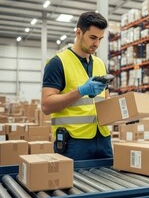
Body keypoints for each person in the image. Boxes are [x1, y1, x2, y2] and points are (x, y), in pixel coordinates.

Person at [41, 11, 112, 160]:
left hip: (103, 138)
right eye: (92, 37)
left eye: (100, 39)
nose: (96, 44)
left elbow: (104, 98)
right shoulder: (57, 63)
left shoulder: (100, 64)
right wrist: (80, 91)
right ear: (78, 32)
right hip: (74, 142)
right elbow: (46, 106)